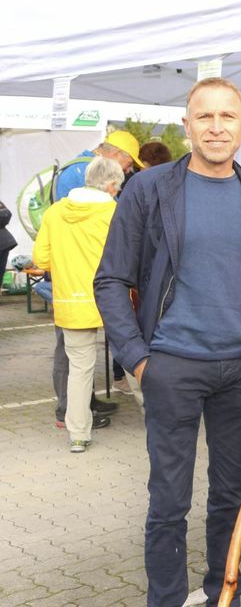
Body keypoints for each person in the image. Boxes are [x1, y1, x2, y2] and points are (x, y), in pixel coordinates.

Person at [94, 78, 241, 607]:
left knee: (232, 499)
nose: (217, 127)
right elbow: (111, 279)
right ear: (187, 126)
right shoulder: (150, 189)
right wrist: (137, 358)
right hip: (172, 366)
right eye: (205, 117)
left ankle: (226, 596)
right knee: (168, 502)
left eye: (228, 117)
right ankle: (166, 599)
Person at [46, 132, 143, 427]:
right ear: (114, 157)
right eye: (128, 164)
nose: (129, 170)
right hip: (105, 293)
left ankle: (77, 423)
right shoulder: (110, 206)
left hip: (70, 293)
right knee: (128, 353)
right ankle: (156, 415)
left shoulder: (62, 197)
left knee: (76, 361)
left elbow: (45, 254)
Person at [33, 157, 124, 452]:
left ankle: (78, 434)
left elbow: (41, 260)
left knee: (80, 368)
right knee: (134, 360)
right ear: (111, 185)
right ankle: (157, 414)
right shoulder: (114, 211)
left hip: (71, 302)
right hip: (112, 299)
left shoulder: (55, 212)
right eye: (117, 187)